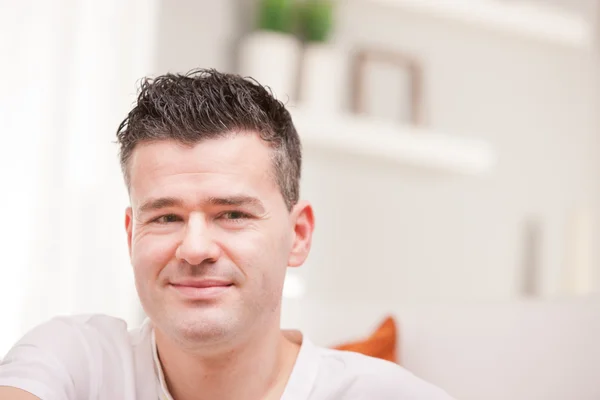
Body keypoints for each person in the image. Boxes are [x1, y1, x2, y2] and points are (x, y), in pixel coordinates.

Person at [0, 69, 452, 400]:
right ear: (130, 234)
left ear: (298, 235)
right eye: (165, 217)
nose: (194, 249)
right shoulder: (75, 363)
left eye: (232, 214)